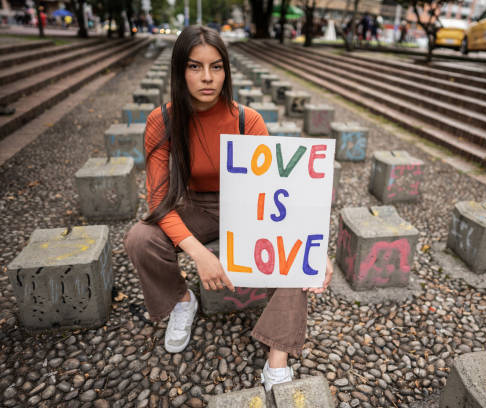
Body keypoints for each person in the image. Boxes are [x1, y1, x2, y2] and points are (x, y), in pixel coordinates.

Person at [124, 26, 333, 391]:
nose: (207, 78)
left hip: (248, 206)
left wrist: (313, 247)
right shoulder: (163, 120)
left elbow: (275, 191)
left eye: (216, 67)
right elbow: (158, 199)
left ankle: (277, 358)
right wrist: (198, 254)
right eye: (195, 66)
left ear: (226, 71)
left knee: (297, 258)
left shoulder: (246, 120)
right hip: (193, 205)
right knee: (141, 237)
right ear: (179, 70)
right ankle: (181, 300)